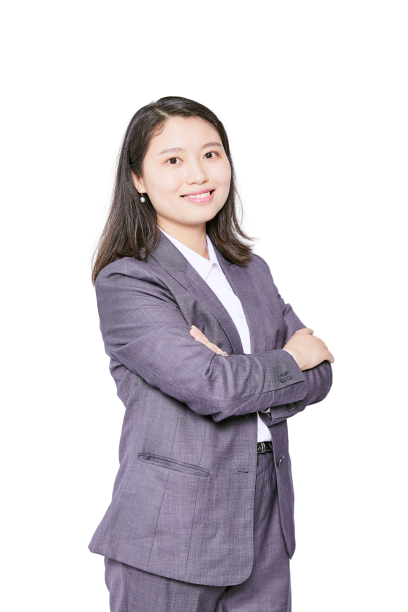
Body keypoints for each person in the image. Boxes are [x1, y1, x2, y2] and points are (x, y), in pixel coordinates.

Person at [88, 96, 334, 612]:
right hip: (170, 530)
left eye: (210, 154)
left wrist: (237, 375)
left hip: (266, 515)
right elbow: (213, 388)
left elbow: (323, 375)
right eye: (173, 159)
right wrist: (289, 360)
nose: (198, 174)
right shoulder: (129, 280)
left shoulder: (251, 268)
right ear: (137, 179)